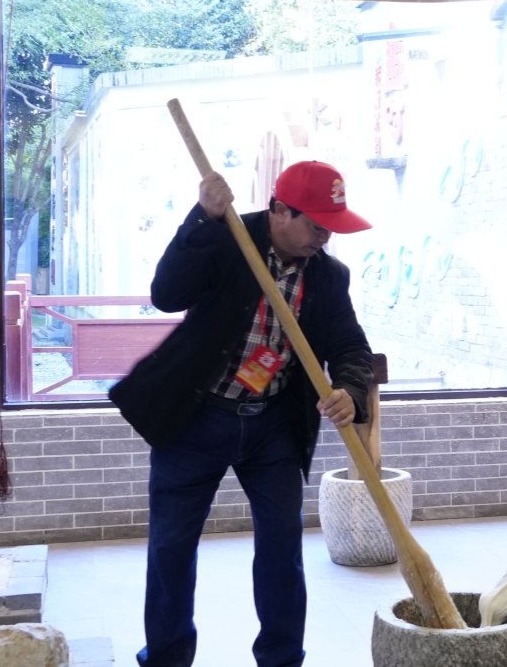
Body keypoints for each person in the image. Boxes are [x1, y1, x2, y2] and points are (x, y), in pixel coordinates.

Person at [109, 160, 375, 667]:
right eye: (316, 225)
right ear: (280, 211)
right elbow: (166, 295)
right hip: (195, 419)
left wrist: (349, 389)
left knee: (282, 547)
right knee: (171, 547)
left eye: (331, 227)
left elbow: (350, 347)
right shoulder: (227, 237)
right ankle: (166, 657)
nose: (325, 238)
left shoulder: (328, 276)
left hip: (274, 425)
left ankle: (281, 658)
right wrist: (202, 218)